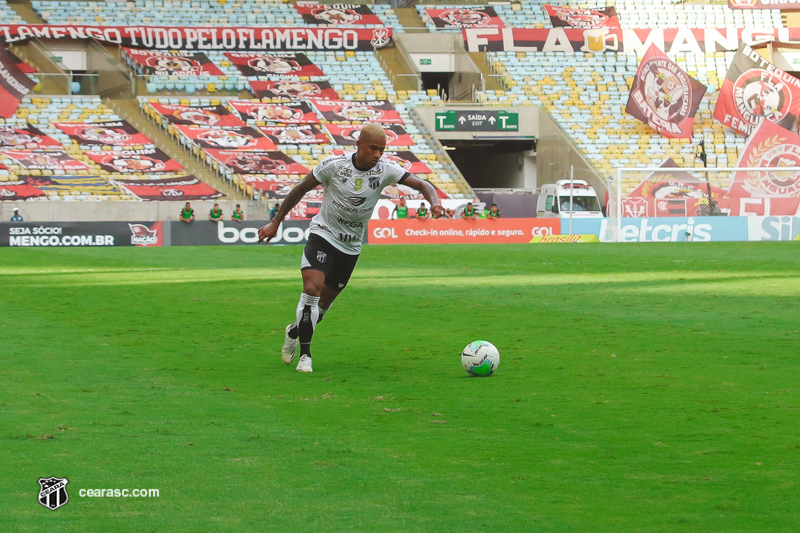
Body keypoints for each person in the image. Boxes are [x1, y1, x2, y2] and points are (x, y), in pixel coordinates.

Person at [258, 124, 443, 373]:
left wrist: (435, 202)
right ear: (359, 145)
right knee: (311, 289)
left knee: (322, 308)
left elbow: (423, 185)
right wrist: (276, 221)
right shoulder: (333, 165)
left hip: (351, 246)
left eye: (382, 149)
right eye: (373, 148)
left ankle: (294, 330)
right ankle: (305, 355)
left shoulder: (386, 170)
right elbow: (300, 189)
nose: (377, 154)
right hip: (323, 234)